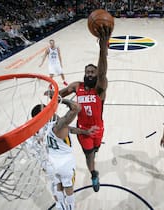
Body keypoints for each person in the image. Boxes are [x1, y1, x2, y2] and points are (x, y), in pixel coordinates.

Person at [58, 26, 111, 192]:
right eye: (87, 71)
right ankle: (93, 173)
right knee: (89, 155)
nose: (89, 74)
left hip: (99, 129)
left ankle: (93, 160)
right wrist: (52, 95)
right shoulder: (76, 86)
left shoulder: (100, 88)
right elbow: (59, 95)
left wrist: (103, 48)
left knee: (94, 151)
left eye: (92, 72)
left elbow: (102, 72)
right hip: (82, 130)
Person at [30, 99, 98, 210]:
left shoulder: (39, 130)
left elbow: (69, 129)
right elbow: (75, 108)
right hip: (65, 163)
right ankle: (70, 207)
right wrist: (60, 100)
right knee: (68, 187)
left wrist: (85, 132)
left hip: (51, 163)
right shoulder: (58, 125)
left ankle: (60, 206)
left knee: (57, 186)